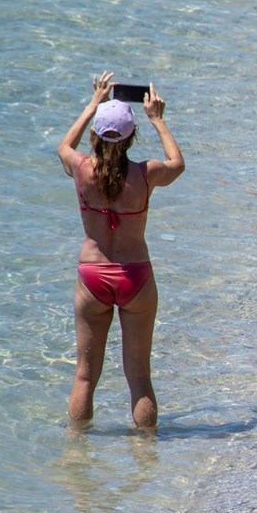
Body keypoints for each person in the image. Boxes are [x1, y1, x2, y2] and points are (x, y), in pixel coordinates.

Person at [57, 71, 185, 428]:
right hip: (135, 278)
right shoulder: (146, 174)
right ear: (131, 140)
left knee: (85, 375)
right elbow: (178, 164)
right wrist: (158, 120)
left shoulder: (82, 169)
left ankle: (76, 455)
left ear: (96, 136)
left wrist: (93, 104)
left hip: (92, 276)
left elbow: (64, 146)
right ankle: (147, 456)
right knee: (140, 377)